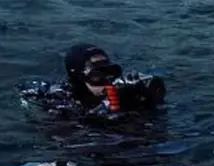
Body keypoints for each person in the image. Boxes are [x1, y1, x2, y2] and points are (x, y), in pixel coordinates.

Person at [20, 43, 166, 117]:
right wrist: (101, 111)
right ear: (79, 79)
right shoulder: (60, 99)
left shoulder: (123, 93)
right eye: (97, 76)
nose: (107, 81)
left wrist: (146, 98)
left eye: (110, 73)